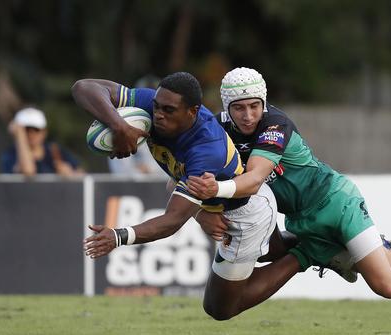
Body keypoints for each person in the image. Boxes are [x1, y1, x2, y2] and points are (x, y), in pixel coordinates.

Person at [187, 67, 391, 335]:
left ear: (265, 102)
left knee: (385, 283)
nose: (248, 115)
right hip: (303, 222)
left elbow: (256, 177)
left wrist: (215, 189)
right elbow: (180, 171)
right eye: (240, 108)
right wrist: (201, 212)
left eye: (255, 106)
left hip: (335, 203)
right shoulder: (216, 131)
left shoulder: (275, 124)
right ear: (226, 106)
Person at [72, 72, 303, 321]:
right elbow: (83, 87)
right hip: (222, 206)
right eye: (157, 107)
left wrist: (118, 237)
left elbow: (172, 220)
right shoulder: (155, 104)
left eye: (168, 110)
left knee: (219, 309)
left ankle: (310, 254)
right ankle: (316, 240)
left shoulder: (206, 149)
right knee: (272, 252)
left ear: (192, 112)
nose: (158, 114)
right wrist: (118, 125)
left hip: (245, 214)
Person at [1, 107, 83, 177]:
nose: (31, 134)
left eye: (36, 129)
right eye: (26, 130)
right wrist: (19, 135)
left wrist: (71, 174)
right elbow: (28, 171)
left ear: (44, 132)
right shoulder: (11, 154)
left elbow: (83, 176)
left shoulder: (55, 150)